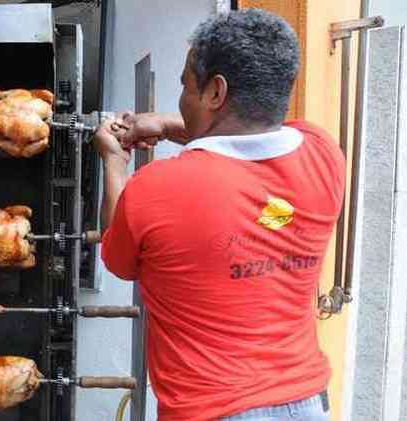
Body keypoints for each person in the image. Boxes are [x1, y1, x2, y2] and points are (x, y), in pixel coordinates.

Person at [94, 9, 345, 421]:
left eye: (184, 87)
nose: (181, 98)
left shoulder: (156, 189)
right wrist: (164, 124)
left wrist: (114, 163)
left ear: (214, 93)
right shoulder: (323, 154)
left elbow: (117, 260)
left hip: (212, 411)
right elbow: (248, 133)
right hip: (308, 404)